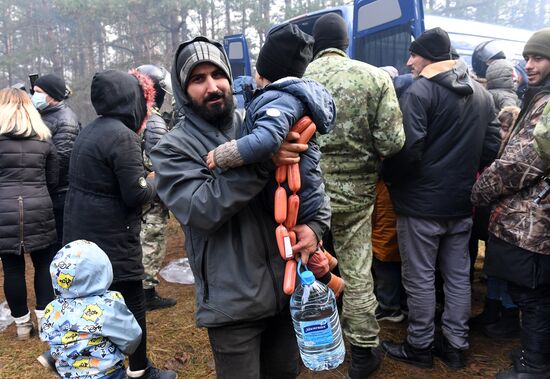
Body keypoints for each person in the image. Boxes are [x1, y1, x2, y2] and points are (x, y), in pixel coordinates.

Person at [151, 36, 330, 378]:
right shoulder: (172, 148)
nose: (212, 86)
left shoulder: (261, 120)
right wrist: (262, 160)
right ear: (182, 88)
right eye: (197, 79)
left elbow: (312, 179)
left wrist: (316, 226)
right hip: (233, 306)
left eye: (218, 75)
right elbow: (200, 209)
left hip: (287, 289)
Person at [380, 27, 500, 370]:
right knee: (458, 276)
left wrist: (391, 179)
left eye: (413, 54)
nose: (409, 61)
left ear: (429, 57)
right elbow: (491, 147)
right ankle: (456, 345)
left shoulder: (420, 92)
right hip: (462, 203)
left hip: (420, 206)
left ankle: (420, 346)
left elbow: (408, 150)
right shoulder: (481, 94)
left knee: (419, 278)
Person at [205, 23, 343, 295]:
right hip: (305, 192)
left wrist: (224, 154)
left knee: (299, 244)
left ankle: (330, 282)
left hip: (298, 194)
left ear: (263, 70)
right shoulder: (290, 96)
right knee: (305, 244)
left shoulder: (277, 100)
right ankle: (329, 270)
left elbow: (266, 140)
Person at [304, 13, 406, 378]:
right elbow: (393, 142)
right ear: (346, 43)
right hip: (358, 196)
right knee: (358, 270)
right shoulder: (375, 77)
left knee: (310, 266)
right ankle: (363, 352)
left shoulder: (299, 81)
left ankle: (314, 335)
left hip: (308, 197)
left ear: (315, 44)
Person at [63, 69, 176, 379]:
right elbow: (135, 194)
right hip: (112, 236)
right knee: (132, 299)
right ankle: (140, 370)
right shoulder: (122, 136)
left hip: (82, 232)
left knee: (89, 302)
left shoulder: (91, 130)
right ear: (132, 100)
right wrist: (156, 181)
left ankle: (75, 361)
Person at [471, 27, 550, 379]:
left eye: (538, 58)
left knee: (534, 294)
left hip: (536, 219)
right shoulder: (538, 96)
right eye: (528, 57)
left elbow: (520, 164)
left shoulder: (546, 104)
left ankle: (535, 366)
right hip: (535, 216)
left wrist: (479, 192)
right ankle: (533, 356)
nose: (529, 65)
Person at [0, 87, 58, 340]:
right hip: (39, 207)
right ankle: (46, 325)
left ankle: (22, 325)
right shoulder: (44, 138)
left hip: (3, 211)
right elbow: (53, 179)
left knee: (12, 269)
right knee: (43, 264)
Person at [39, 240, 142, 379]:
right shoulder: (107, 305)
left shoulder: (52, 308)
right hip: (105, 373)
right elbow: (131, 337)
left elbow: (46, 335)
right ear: (103, 270)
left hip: (68, 373)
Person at [135, 64, 177, 311]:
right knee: (151, 240)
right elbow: (159, 161)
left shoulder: (139, 116)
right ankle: (146, 294)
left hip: (142, 189)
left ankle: (143, 290)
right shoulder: (154, 121)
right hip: (152, 193)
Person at [32, 74, 81, 255]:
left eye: (38, 92)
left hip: (60, 195)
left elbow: (61, 161)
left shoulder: (65, 120)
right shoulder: (45, 116)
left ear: (51, 96)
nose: (33, 95)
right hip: (48, 194)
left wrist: (41, 186)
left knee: (58, 249)